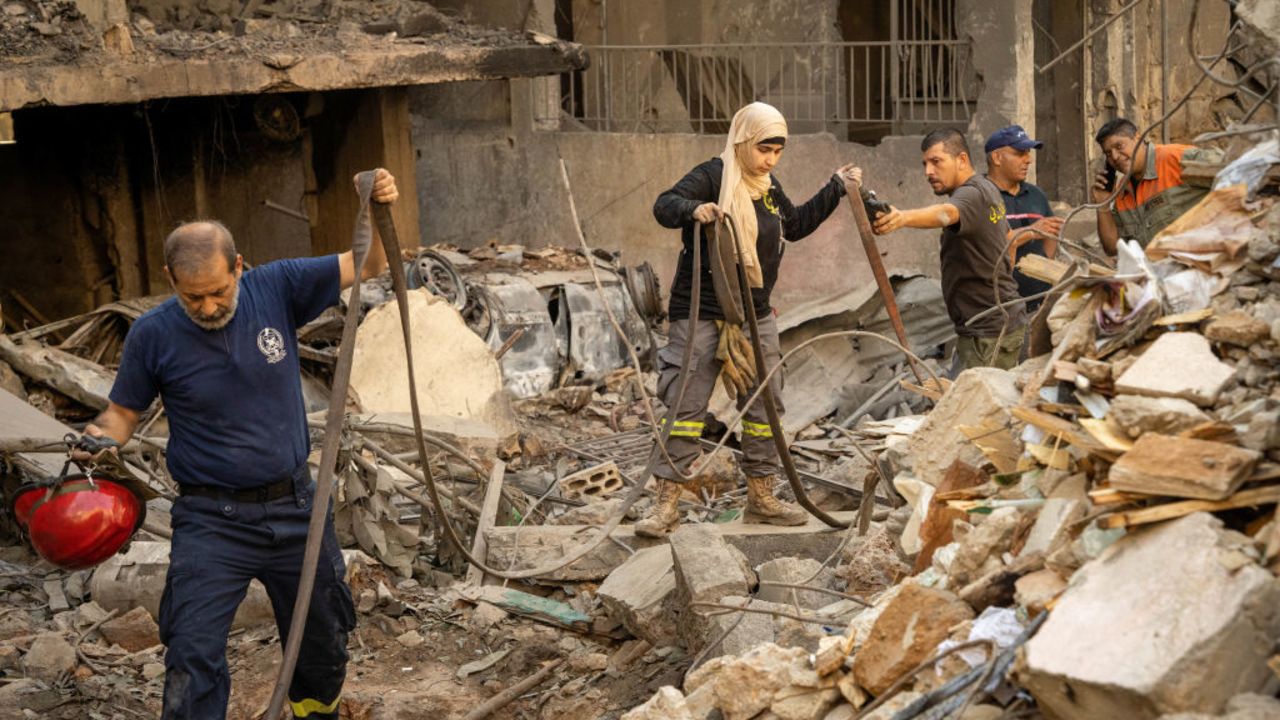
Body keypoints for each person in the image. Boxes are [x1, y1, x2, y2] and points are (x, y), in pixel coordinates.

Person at [81, 170, 399, 719]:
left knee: (322, 641)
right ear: (169, 279)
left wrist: (373, 205)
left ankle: (312, 715)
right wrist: (92, 443)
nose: (207, 307)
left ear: (239, 267)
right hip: (212, 519)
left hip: (299, 507)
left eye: (218, 292)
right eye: (193, 297)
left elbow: (370, 264)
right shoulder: (153, 334)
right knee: (192, 650)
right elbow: (121, 414)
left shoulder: (278, 287)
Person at [637, 101, 858, 538]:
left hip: (755, 315)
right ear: (742, 140)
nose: (770, 160)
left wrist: (835, 188)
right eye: (763, 149)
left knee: (764, 408)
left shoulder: (768, 187)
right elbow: (665, 205)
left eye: (777, 151)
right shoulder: (713, 176)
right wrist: (693, 210)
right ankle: (665, 506)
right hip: (701, 312)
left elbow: (794, 226)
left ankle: (761, 497)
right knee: (686, 407)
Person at [870, 127, 1025, 371]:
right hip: (994, 324)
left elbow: (946, 213)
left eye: (936, 162)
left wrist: (902, 218)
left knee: (974, 407)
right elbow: (1010, 240)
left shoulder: (972, 194)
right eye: (925, 164)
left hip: (987, 333)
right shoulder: (988, 188)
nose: (928, 172)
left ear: (961, 159)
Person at [1092, 117, 1216, 254]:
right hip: (1159, 272)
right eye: (1108, 153)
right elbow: (1112, 248)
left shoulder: (1176, 158)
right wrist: (1102, 204)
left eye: (1119, 146)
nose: (1114, 157)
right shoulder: (1122, 192)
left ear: (1137, 138)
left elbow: (1236, 172)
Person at [984, 124, 1065, 314]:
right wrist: (1031, 232)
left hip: (1039, 305)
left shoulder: (1036, 194)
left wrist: (1041, 270)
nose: (1028, 160)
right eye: (1020, 154)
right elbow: (988, 247)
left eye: (1028, 154)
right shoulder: (981, 197)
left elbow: (1050, 233)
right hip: (998, 309)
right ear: (997, 157)